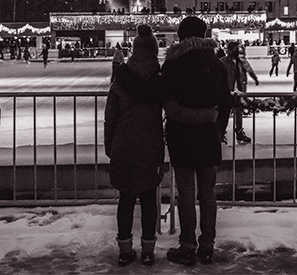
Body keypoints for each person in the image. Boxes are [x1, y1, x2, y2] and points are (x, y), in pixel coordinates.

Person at [105, 24, 218, 267]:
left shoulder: (168, 68)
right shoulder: (210, 65)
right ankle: (198, 247)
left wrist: (120, 72)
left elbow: (119, 111)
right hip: (192, 139)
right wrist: (215, 123)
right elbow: (225, 100)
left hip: (162, 139)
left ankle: (176, 248)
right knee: (201, 194)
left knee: (138, 197)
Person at [161, 17, 231, 266]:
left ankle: (187, 246)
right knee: (208, 194)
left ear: (181, 36)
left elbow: (164, 96)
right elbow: (225, 103)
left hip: (181, 135)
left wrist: (181, 116)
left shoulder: (173, 64)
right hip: (208, 136)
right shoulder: (217, 65)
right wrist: (216, 127)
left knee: (187, 193)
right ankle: (207, 245)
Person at [220, 41, 259, 144]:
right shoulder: (223, 62)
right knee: (225, 113)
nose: (237, 51)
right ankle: (221, 133)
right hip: (228, 91)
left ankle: (239, 133)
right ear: (228, 50)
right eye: (234, 49)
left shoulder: (242, 61)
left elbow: (249, 70)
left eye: (237, 49)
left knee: (239, 112)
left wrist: (255, 78)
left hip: (239, 91)